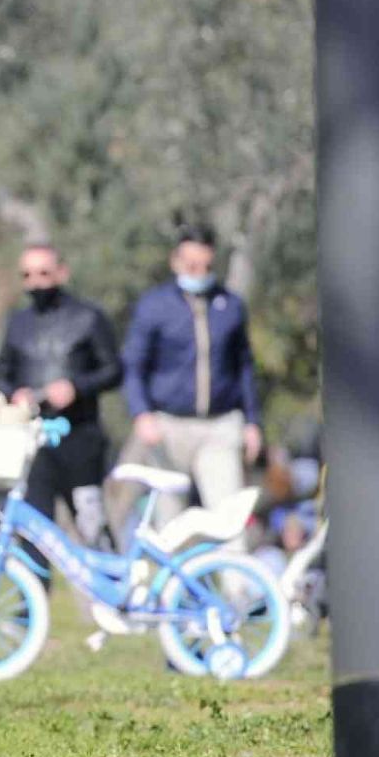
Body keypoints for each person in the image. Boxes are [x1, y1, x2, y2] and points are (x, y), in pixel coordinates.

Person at [117, 226, 262, 534]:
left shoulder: (230, 306)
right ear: (176, 262)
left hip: (220, 426)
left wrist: (252, 421)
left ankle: (238, 583)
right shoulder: (154, 306)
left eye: (206, 266)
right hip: (169, 426)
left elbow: (244, 368)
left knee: (228, 522)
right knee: (169, 525)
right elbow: (134, 365)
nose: (198, 273)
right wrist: (141, 413)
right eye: (191, 265)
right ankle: (173, 583)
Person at [0, 244, 123, 553]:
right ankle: (34, 599)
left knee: (93, 528)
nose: (36, 282)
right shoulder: (17, 323)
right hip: (32, 442)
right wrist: (15, 393)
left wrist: (76, 387)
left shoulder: (89, 318)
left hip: (80, 439)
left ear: (61, 273)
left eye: (43, 273)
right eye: (27, 275)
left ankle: (114, 598)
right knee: (33, 533)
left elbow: (114, 370)